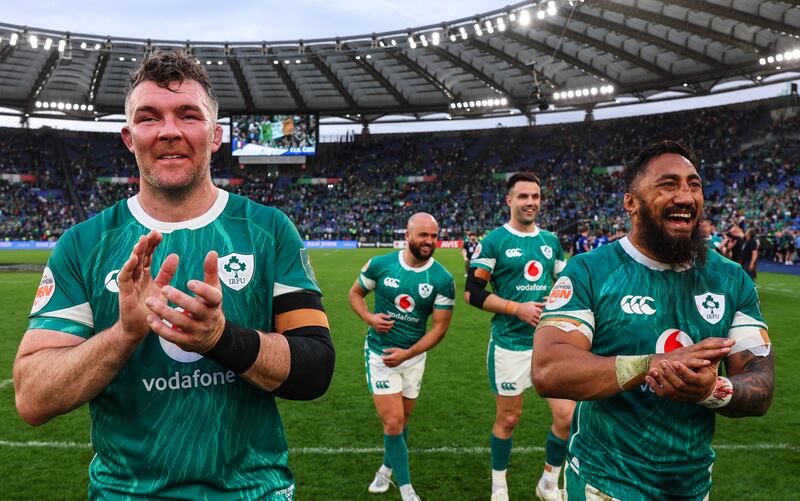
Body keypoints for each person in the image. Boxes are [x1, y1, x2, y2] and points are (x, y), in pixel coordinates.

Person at [13, 50, 335, 500]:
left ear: (216, 134)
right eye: (149, 118)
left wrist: (219, 338)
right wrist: (124, 334)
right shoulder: (82, 244)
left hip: (253, 493)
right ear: (129, 137)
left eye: (188, 115)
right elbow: (32, 397)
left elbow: (315, 368)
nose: (169, 131)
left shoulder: (268, 229)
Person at [533, 140, 774, 500]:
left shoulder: (732, 279)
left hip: (693, 486)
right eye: (668, 184)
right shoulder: (589, 271)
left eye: (694, 185)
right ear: (631, 203)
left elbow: (761, 384)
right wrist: (652, 365)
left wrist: (713, 390)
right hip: (606, 484)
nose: (686, 196)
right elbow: (549, 369)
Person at [464, 172, 573, 501]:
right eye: (523, 196)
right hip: (509, 346)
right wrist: (516, 308)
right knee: (509, 418)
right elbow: (472, 292)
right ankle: (499, 484)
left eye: (535, 197)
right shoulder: (494, 241)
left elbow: (565, 287)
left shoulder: (550, 242)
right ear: (509, 200)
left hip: (547, 345)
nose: (530, 203)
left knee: (567, 417)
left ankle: (549, 482)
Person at [348, 212, 455, 501]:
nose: (429, 241)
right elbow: (355, 294)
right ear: (407, 235)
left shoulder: (443, 279)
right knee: (393, 422)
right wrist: (370, 318)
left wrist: (408, 353)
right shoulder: (381, 265)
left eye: (434, 236)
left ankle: (385, 468)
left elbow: (440, 329)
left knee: (403, 421)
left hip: (413, 357)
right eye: (423, 235)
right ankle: (407, 490)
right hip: (380, 356)